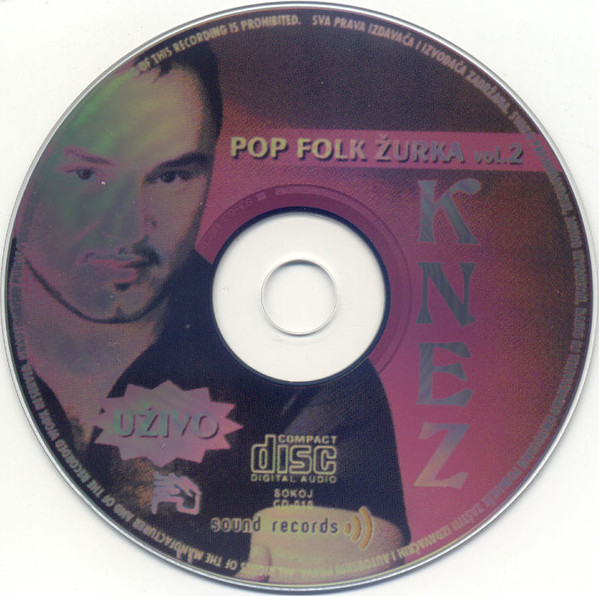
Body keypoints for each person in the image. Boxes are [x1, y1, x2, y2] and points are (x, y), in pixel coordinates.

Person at [7, 42, 409, 584]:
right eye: (86, 176)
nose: (129, 228)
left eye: (171, 177)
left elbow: (346, 559)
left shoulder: (310, 372)